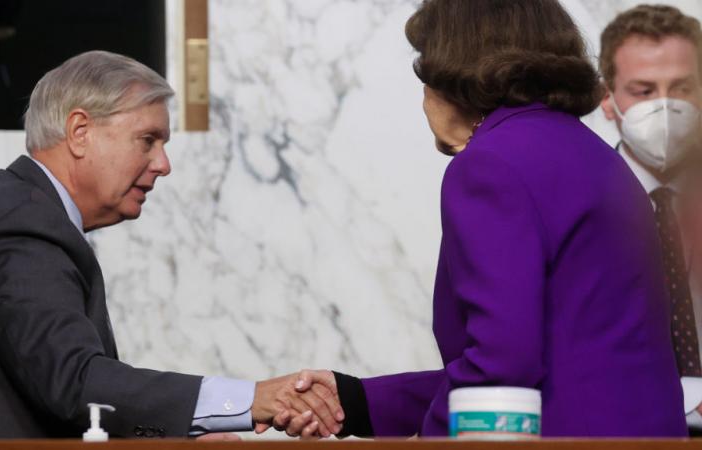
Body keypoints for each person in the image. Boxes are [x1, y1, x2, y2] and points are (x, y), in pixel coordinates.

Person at [280, 0, 687, 438]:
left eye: (425, 74)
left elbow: (502, 365)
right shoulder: (596, 155)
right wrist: (358, 401)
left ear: (452, 74)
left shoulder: (490, 165)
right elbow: (565, 358)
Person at [0, 51, 342, 440]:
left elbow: (56, 403)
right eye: (147, 140)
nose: (163, 165)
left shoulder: (17, 207)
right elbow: (75, 383)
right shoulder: (20, 224)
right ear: (80, 132)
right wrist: (251, 398)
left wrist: (180, 438)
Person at [597, 5, 702, 433]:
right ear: (607, 99)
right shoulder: (578, 205)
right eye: (643, 91)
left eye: (681, 88)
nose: (664, 106)